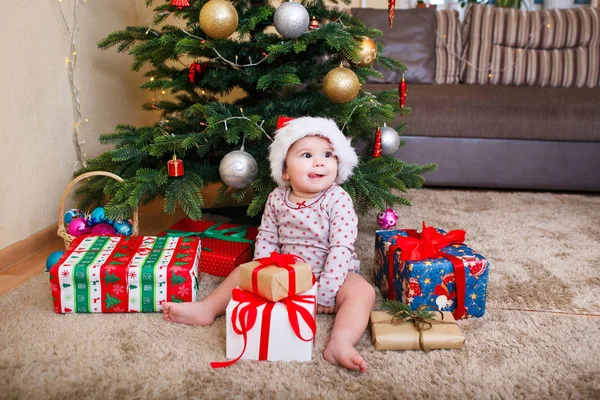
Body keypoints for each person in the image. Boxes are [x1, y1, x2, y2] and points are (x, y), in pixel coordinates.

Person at [163, 116, 376, 373]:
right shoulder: (277, 198)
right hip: (286, 270)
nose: (320, 161)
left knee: (363, 292)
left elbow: (341, 247)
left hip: (333, 271)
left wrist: (328, 290)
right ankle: (208, 308)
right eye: (307, 155)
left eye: (328, 154)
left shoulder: (338, 199)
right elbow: (267, 237)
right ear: (285, 170)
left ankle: (340, 342)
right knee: (241, 274)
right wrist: (262, 273)